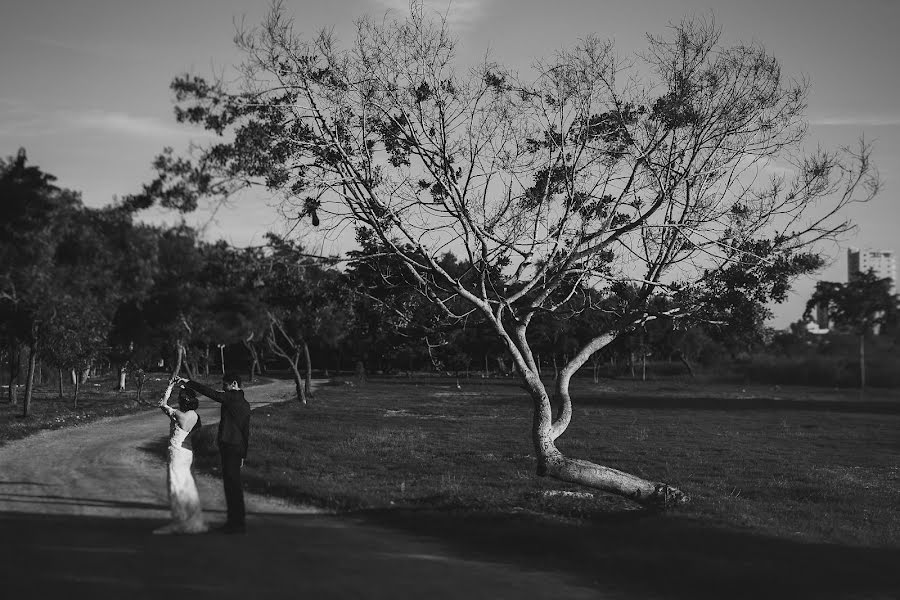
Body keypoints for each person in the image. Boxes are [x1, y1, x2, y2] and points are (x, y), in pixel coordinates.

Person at [177, 373, 250, 534]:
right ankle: (238, 522)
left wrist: (189, 382)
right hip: (238, 448)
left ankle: (235, 524)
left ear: (234, 383)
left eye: (225, 384)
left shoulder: (231, 398)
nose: (223, 387)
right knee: (235, 485)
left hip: (229, 446)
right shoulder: (245, 403)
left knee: (231, 486)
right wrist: (244, 454)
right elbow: (246, 432)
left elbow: (209, 392)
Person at [155, 377, 207, 535]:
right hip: (188, 453)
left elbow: (162, 404)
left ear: (182, 402)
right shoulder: (195, 417)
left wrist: (170, 386)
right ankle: (194, 520)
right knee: (188, 486)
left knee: (176, 486)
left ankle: (179, 522)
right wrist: (185, 387)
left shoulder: (177, 414)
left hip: (176, 453)